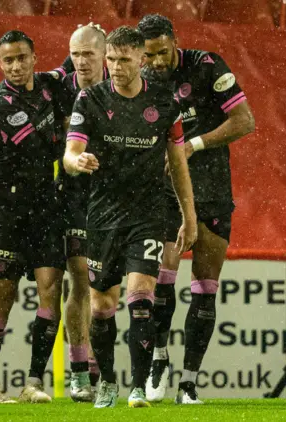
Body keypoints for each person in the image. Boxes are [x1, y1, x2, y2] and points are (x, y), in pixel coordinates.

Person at [63, 26, 197, 409]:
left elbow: (177, 163)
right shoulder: (89, 99)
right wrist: (78, 162)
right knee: (103, 306)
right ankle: (107, 380)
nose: (116, 67)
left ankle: (138, 387)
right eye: (111, 59)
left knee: (142, 298)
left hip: (149, 214)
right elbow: (71, 153)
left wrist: (188, 215)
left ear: (141, 59)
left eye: (124, 59)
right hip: (103, 215)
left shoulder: (164, 104)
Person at [137, 14, 255, 405]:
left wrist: (194, 145)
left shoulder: (207, 66)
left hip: (213, 190)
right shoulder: (143, 78)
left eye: (161, 52)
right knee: (161, 280)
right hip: (165, 194)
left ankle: (188, 383)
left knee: (205, 289)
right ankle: (158, 358)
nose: (155, 61)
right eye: (148, 55)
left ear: (174, 41)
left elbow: (245, 121)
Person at [0, 30, 66, 404]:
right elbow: (46, 148)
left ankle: (33, 382)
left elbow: (72, 68)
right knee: (4, 296)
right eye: (8, 60)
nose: (15, 65)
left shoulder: (47, 83)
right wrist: (71, 129)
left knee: (51, 290)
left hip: (46, 207)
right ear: (0, 63)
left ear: (34, 56)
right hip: (9, 209)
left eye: (21, 57)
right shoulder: (1, 103)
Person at [56, 23, 108, 402]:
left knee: (108, 292)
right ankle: (79, 372)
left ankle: (111, 368)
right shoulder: (60, 85)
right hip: (75, 196)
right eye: (75, 54)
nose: (81, 62)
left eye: (88, 54)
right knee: (79, 280)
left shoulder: (126, 81)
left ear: (104, 54)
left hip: (117, 199)